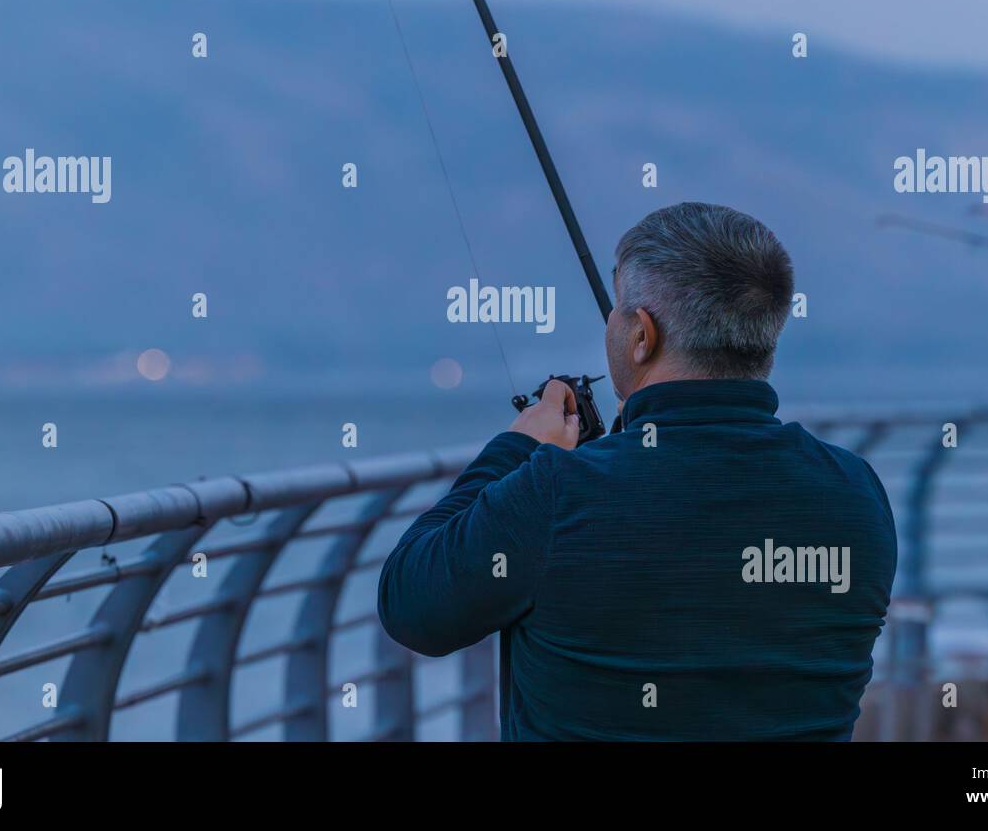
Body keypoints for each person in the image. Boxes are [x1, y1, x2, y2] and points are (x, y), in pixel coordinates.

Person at [378, 202, 897, 740]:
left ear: (642, 335)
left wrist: (518, 447)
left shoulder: (556, 493)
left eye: (618, 310)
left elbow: (412, 604)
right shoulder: (856, 495)